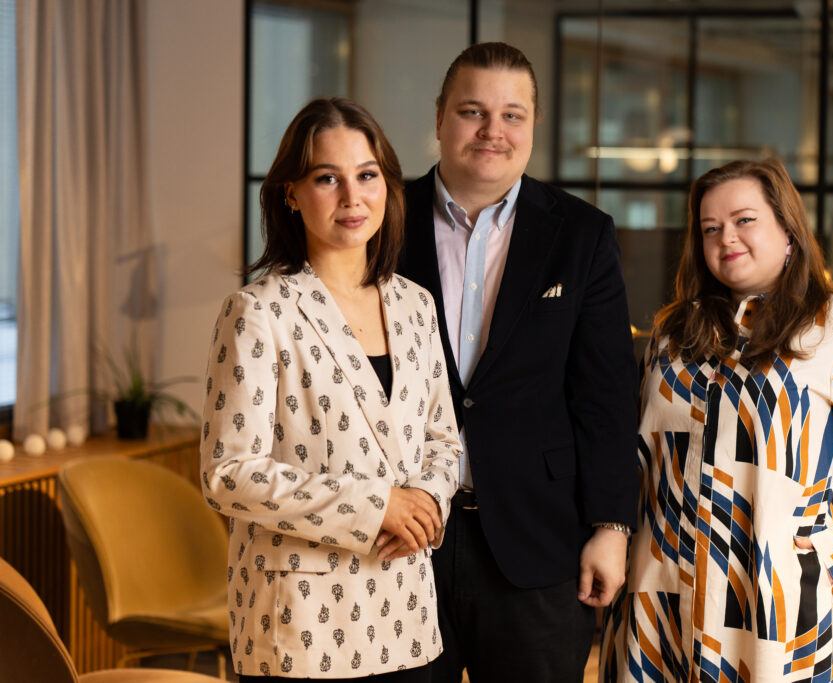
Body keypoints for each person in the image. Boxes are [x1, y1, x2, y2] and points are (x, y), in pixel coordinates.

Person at [601, 158, 833, 682]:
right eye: (711, 228)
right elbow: (635, 454)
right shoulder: (673, 336)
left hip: (771, 606)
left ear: (788, 231)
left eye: (744, 220)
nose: (726, 237)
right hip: (658, 595)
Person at [397, 43, 639, 682]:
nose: (492, 131)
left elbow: (606, 394)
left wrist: (612, 525)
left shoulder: (582, 234)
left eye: (512, 115)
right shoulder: (381, 219)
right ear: (441, 117)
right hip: (400, 539)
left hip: (539, 540)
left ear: (534, 124)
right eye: (472, 111)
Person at [200, 98, 461, 682]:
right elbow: (228, 473)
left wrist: (426, 504)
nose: (352, 197)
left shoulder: (416, 305)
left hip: (407, 613)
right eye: (327, 178)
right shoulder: (257, 311)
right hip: (301, 624)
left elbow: (444, 438)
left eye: (367, 175)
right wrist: (377, 506)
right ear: (291, 193)